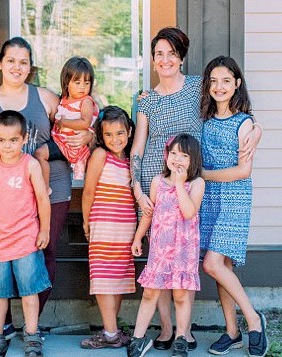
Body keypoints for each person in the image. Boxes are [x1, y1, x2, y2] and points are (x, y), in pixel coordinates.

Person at [130, 27, 262, 351]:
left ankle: (184, 331)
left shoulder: (195, 88)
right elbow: (137, 146)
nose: (165, 60)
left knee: (187, 257)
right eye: (159, 54)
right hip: (155, 183)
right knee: (158, 258)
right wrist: (137, 186)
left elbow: (231, 107)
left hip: (191, 185)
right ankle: (164, 330)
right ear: (151, 59)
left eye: (171, 54)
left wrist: (256, 127)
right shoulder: (146, 100)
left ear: (181, 57)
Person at [0, 37, 93, 340]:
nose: (17, 67)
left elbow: (81, 129)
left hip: (52, 185)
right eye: (10, 60)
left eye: (23, 62)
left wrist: (87, 138)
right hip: (4, 190)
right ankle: (6, 323)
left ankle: (30, 326)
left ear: (30, 67)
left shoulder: (47, 98)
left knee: (43, 250)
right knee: (1, 254)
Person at [200, 56, 267, 357]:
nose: (219, 86)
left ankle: (254, 320)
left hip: (234, 198)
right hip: (210, 200)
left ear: (237, 83)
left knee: (212, 264)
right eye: (214, 81)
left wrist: (205, 175)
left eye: (226, 80)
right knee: (221, 266)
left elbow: (243, 170)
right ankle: (232, 331)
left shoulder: (245, 122)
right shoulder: (205, 119)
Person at [0, 111, 51, 357]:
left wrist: (45, 228)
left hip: (26, 238)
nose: (8, 146)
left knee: (29, 292)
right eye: (3, 140)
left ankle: (32, 335)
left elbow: (41, 198)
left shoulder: (30, 164)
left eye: (14, 140)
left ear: (24, 138)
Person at [128, 134, 205, 357]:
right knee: (150, 293)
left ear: (194, 160)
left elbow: (190, 212)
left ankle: (181, 338)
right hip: (160, 250)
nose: (177, 159)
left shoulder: (196, 184)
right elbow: (148, 214)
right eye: (173, 153)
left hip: (183, 251)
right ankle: (138, 338)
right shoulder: (157, 181)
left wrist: (180, 184)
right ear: (166, 155)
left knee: (181, 295)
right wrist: (137, 237)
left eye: (184, 155)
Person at [79, 106, 136, 350]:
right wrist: (86, 220)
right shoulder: (101, 155)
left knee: (119, 276)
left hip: (125, 228)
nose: (115, 139)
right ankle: (111, 332)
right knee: (103, 275)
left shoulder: (131, 158)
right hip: (102, 224)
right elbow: (89, 190)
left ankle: (111, 330)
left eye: (120, 133)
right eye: (109, 134)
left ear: (130, 131)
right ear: (102, 136)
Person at [34, 56, 99, 189]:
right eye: (77, 82)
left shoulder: (86, 101)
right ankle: (44, 187)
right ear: (66, 82)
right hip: (61, 142)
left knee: (79, 182)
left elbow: (85, 122)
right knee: (40, 154)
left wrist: (64, 123)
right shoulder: (63, 100)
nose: (82, 87)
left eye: (87, 83)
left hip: (74, 145)